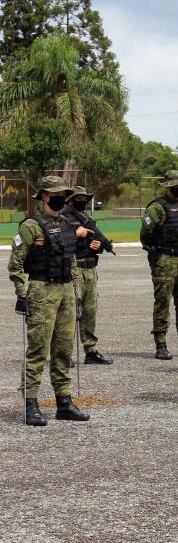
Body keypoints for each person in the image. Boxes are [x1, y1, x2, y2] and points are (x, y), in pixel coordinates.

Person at [9, 176, 92, 426]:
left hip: (66, 290)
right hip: (41, 290)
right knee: (38, 350)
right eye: (55, 194)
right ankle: (31, 404)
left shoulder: (67, 224)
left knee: (64, 350)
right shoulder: (30, 227)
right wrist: (22, 293)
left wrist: (77, 295)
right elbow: (15, 265)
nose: (60, 198)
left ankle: (63, 403)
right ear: (44, 196)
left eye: (62, 194)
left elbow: (73, 263)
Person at [140, 170, 178, 360]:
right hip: (165, 259)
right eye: (176, 185)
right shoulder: (157, 207)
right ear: (169, 187)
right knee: (163, 302)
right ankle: (161, 344)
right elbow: (146, 235)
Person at [61, 186, 113, 365]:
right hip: (74, 269)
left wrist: (97, 246)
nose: (82, 201)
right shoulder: (63, 218)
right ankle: (64, 353)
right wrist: (76, 234)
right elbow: (57, 242)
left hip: (90, 269)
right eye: (78, 198)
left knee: (90, 313)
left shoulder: (88, 219)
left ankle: (90, 350)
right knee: (71, 311)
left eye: (84, 198)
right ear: (71, 199)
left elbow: (93, 242)